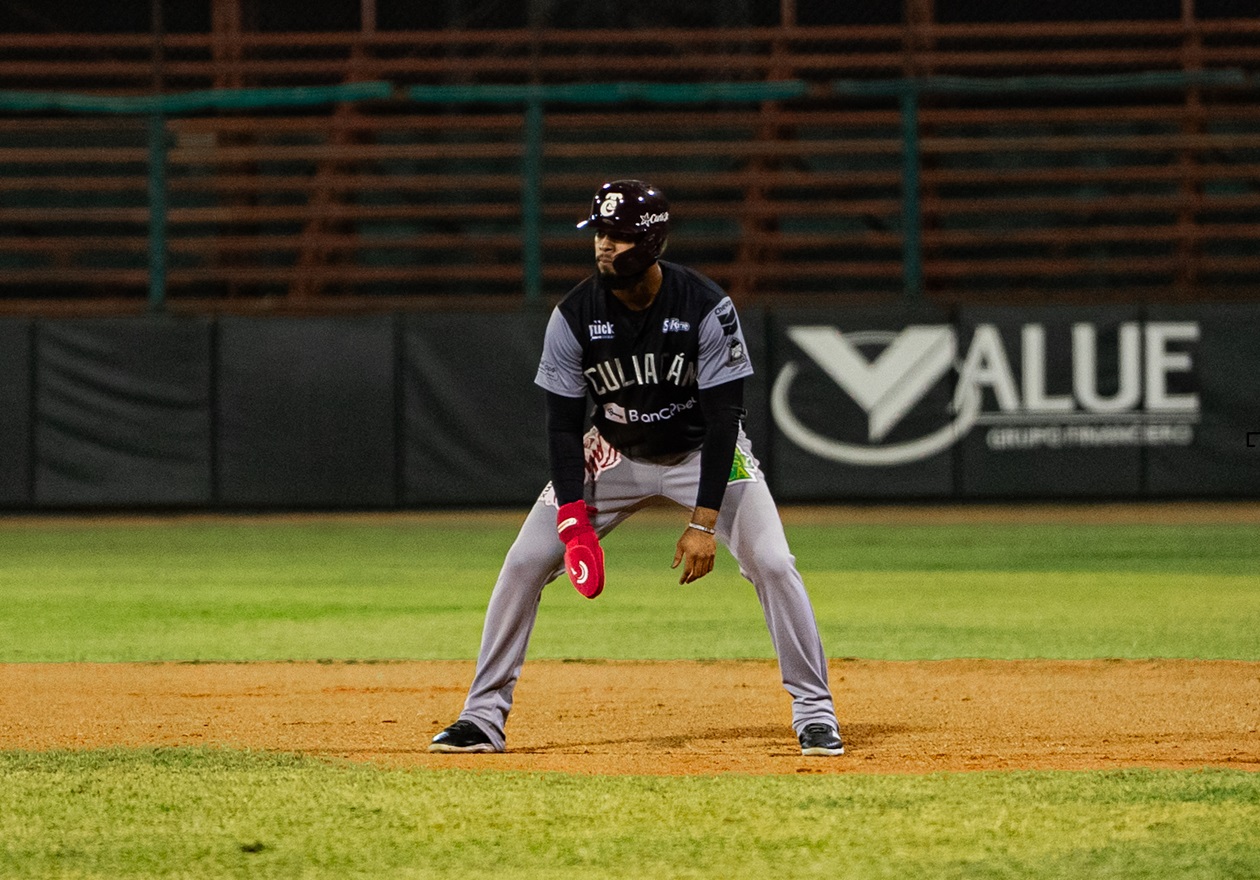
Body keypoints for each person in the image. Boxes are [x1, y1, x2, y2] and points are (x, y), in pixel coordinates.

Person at [429, 179, 843, 757]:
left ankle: (815, 713)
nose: (603, 246)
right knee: (524, 562)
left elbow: (725, 421)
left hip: (703, 452)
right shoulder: (574, 314)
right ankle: (482, 718)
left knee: (773, 562)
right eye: (599, 233)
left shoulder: (705, 306)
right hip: (614, 451)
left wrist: (703, 524)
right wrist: (572, 517)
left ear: (650, 242)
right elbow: (562, 426)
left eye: (618, 236)